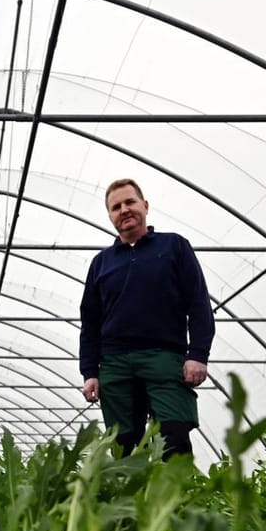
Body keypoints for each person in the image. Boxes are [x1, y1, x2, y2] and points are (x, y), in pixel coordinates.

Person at [79, 177, 214, 458]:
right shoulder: (101, 263)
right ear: (110, 216)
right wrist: (90, 372)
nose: (124, 210)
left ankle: (175, 501)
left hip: (164, 359)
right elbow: (90, 323)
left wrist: (198, 353)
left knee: (173, 437)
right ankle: (130, 501)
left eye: (130, 202)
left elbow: (199, 302)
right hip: (115, 365)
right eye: (116, 207)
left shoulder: (173, 246)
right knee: (124, 447)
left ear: (145, 206)